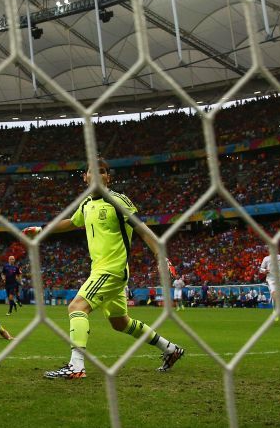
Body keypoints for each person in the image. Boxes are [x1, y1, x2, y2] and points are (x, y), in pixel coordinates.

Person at [24, 158, 184, 379]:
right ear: (85, 177)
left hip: (111, 269)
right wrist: (42, 229)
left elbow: (143, 229)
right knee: (120, 322)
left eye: (103, 172)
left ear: (108, 178)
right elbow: (72, 222)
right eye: (93, 172)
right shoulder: (86, 203)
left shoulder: (118, 201)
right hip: (103, 270)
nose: (98, 175)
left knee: (76, 307)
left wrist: (160, 256)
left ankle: (76, 366)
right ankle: (171, 349)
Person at [259, 250, 280, 320]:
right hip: (272, 280)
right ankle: (275, 311)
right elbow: (261, 269)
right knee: (275, 297)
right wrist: (264, 270)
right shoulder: (266, 258)